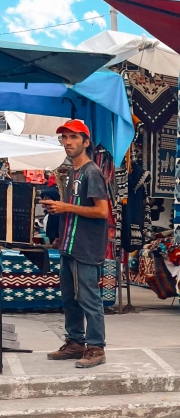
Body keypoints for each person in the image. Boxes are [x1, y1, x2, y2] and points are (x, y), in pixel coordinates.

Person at [42, 120, 109, 369]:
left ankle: (96, 347)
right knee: (69, 298)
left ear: (86, 142)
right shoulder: (72, 172)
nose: (68, 142)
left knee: (89, 299)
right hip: (69, 245)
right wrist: (58, 229)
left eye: (73, 137)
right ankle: (75, 342)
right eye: (64, 138)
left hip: (86, 246)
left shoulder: (92, 172)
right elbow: (72, 210)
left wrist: (64, 207)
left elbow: (102, 211)